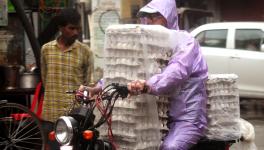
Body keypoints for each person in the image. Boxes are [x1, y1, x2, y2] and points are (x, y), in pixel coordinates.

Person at [127, 0, 208, 150]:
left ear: (169, 16)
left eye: (156, 16)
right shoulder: (149, 46)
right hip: (155, 118)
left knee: (170, 148)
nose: (150, 22)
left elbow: (177, 71)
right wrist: (98, 88)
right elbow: (128, 67)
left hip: (185, 119)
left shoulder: (186, 42)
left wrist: (148, 85)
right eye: (147, 17)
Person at [40, 8, 94, 149]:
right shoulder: (46, 50)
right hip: (50, 115)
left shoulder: (85, 52)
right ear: (60, 28)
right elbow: (45, 79)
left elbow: (89, 84)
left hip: (74, 118)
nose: (76, 32)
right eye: (71, 28)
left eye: (78, 29)